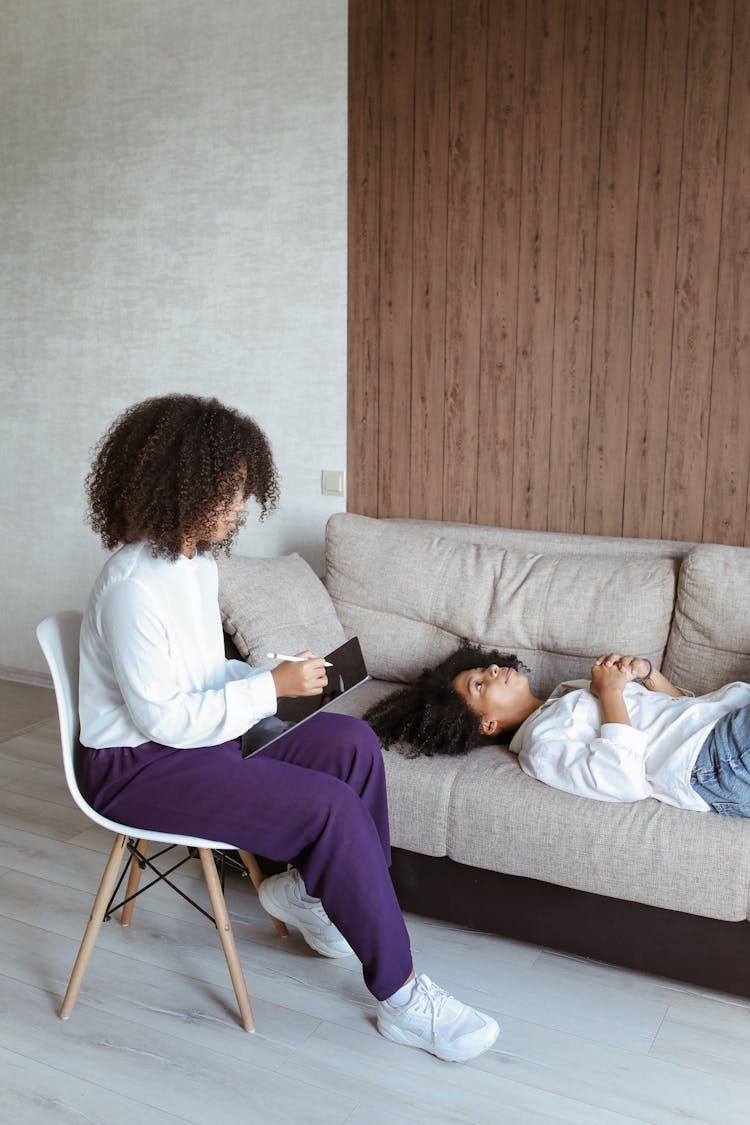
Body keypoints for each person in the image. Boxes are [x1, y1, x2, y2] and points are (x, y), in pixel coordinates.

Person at [78, 394, 499, 1063]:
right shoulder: (133, 585)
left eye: (242, 489)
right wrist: (266, 690)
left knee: (353, 742)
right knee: (327, 806)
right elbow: (163, 716)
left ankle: (309, 893)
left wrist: (270, 672)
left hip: (193, 739)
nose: (240, 505)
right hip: (137, 767)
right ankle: (403, 994)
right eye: (230, 489)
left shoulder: (190, 566)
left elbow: (196, 674)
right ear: (180, 484)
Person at [364, 641, 750, 816]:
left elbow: (680, 707)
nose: (493, 670)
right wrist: (612, 692)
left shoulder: (568, 693)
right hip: (710, 761)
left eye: (486, 667)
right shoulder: (542, 745)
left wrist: (648, 675)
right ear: (487, 724)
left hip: (718, 725)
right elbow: (623, 780)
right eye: (480, 684)